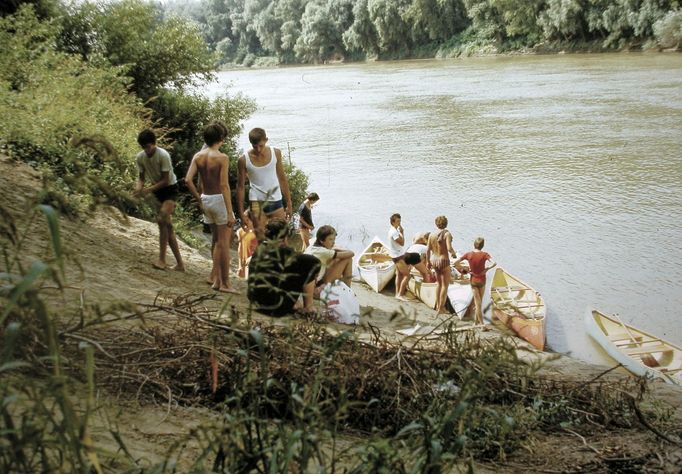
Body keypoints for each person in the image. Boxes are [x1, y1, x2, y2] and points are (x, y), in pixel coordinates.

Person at [185, 124, 238, 293]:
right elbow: (224, 185)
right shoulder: (222, 158)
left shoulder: (198, 156)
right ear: (221, 139)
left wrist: (199, 198)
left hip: (206, 198)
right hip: (219, 200)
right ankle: (225, 284)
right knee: (224, 243)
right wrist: (230, 212)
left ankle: (216, 280)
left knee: (216, 241)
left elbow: (188, 180)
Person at [133, 129, 185, 272]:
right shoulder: (141, 157)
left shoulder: (163, 155)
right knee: (167, 226)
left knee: (162, 219)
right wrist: (139, 188)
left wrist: (148, 190)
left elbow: (165, 180)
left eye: (149, 147)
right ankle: (180, 264)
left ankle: (162, 259)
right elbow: (141, 177)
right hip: (157, 191)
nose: (147, 150)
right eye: (144, 147)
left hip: (169, 189)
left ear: (154, 144)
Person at [248, 218, 321, 317]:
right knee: (310, 265)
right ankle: (309, 306)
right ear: (285, 237)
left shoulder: (260, 249)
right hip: (275, 307)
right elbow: (314, 261)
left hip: (256, 300)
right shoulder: (285, 252)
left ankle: (297, 304)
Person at [237, 128, 293, 235]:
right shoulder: (243, 160)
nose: (258, 149)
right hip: (256, 202)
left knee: (280, 237)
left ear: (266, 140)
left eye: (261, 145)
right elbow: (240, 187)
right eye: (254, 146)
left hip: (276, 200)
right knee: (260, 238)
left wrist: (289, 203)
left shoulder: (276, 153)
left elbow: (282, 178)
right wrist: (241, 213)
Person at [452, 237, 497, 325]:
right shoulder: (485, 254)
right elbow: (494, 263)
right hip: (482, 280)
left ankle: (477, 323)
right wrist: (487, 269)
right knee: (479, 302)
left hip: (473, 280)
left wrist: (464, 268)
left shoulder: (469, 254)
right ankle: (482, 324)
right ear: (482, 246)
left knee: (477, 303)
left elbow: (455, 263)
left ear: (474, 244)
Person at [426, 216, 457, 314]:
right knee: (445, 285)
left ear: (436, 224)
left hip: (434, 260)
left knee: (439, 284)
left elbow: (427, 250)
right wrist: (453, 253)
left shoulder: (431, 235)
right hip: (443, 260)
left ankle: (437, 305)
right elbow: (448, 247)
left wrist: (427, 262)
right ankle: (441, 308)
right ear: (446, 223)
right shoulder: (447, 234)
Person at [387, 213, 420, 300]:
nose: (399, 223)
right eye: (397, 221)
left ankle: (397, 294)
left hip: (397, 255)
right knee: (407, 275)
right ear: (393, 222)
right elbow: (402, 243)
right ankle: (400, 294)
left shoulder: (394, 230)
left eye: (400, 221)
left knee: (399, 275)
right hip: (397, 256)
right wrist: (402, 233)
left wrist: (401, 232)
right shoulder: (394, 232)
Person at [237, 210, 257, 279]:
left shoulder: (257, 234)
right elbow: (240, 249)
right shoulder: (240, 231)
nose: (244, 220)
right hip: (243, 263)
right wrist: (240, 265)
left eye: (246, 218)